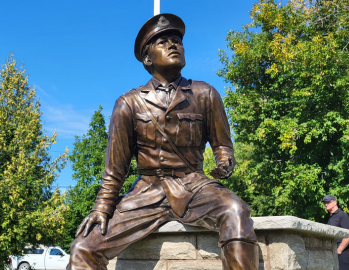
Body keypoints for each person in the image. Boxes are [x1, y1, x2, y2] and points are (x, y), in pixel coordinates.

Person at [67, 13, 259, 270]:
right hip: (147, 192)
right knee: (83, 248)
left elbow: (223, 145)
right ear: (147, 58)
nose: (173, 45)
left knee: (236, 211)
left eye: (177, 41)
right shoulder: (129, 103)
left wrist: (225, 160)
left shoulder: (206, 94)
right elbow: (116, 168)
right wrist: (102, 207)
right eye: (163, 41)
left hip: (195, 186)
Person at [323, 195, 349, 270]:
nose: (326, 204)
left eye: (328, 202)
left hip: (342, 253)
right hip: (333, 251)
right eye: (324, 203)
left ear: (335, 202)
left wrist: (339, 250)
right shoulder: (331, 217)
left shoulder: (342, 215)